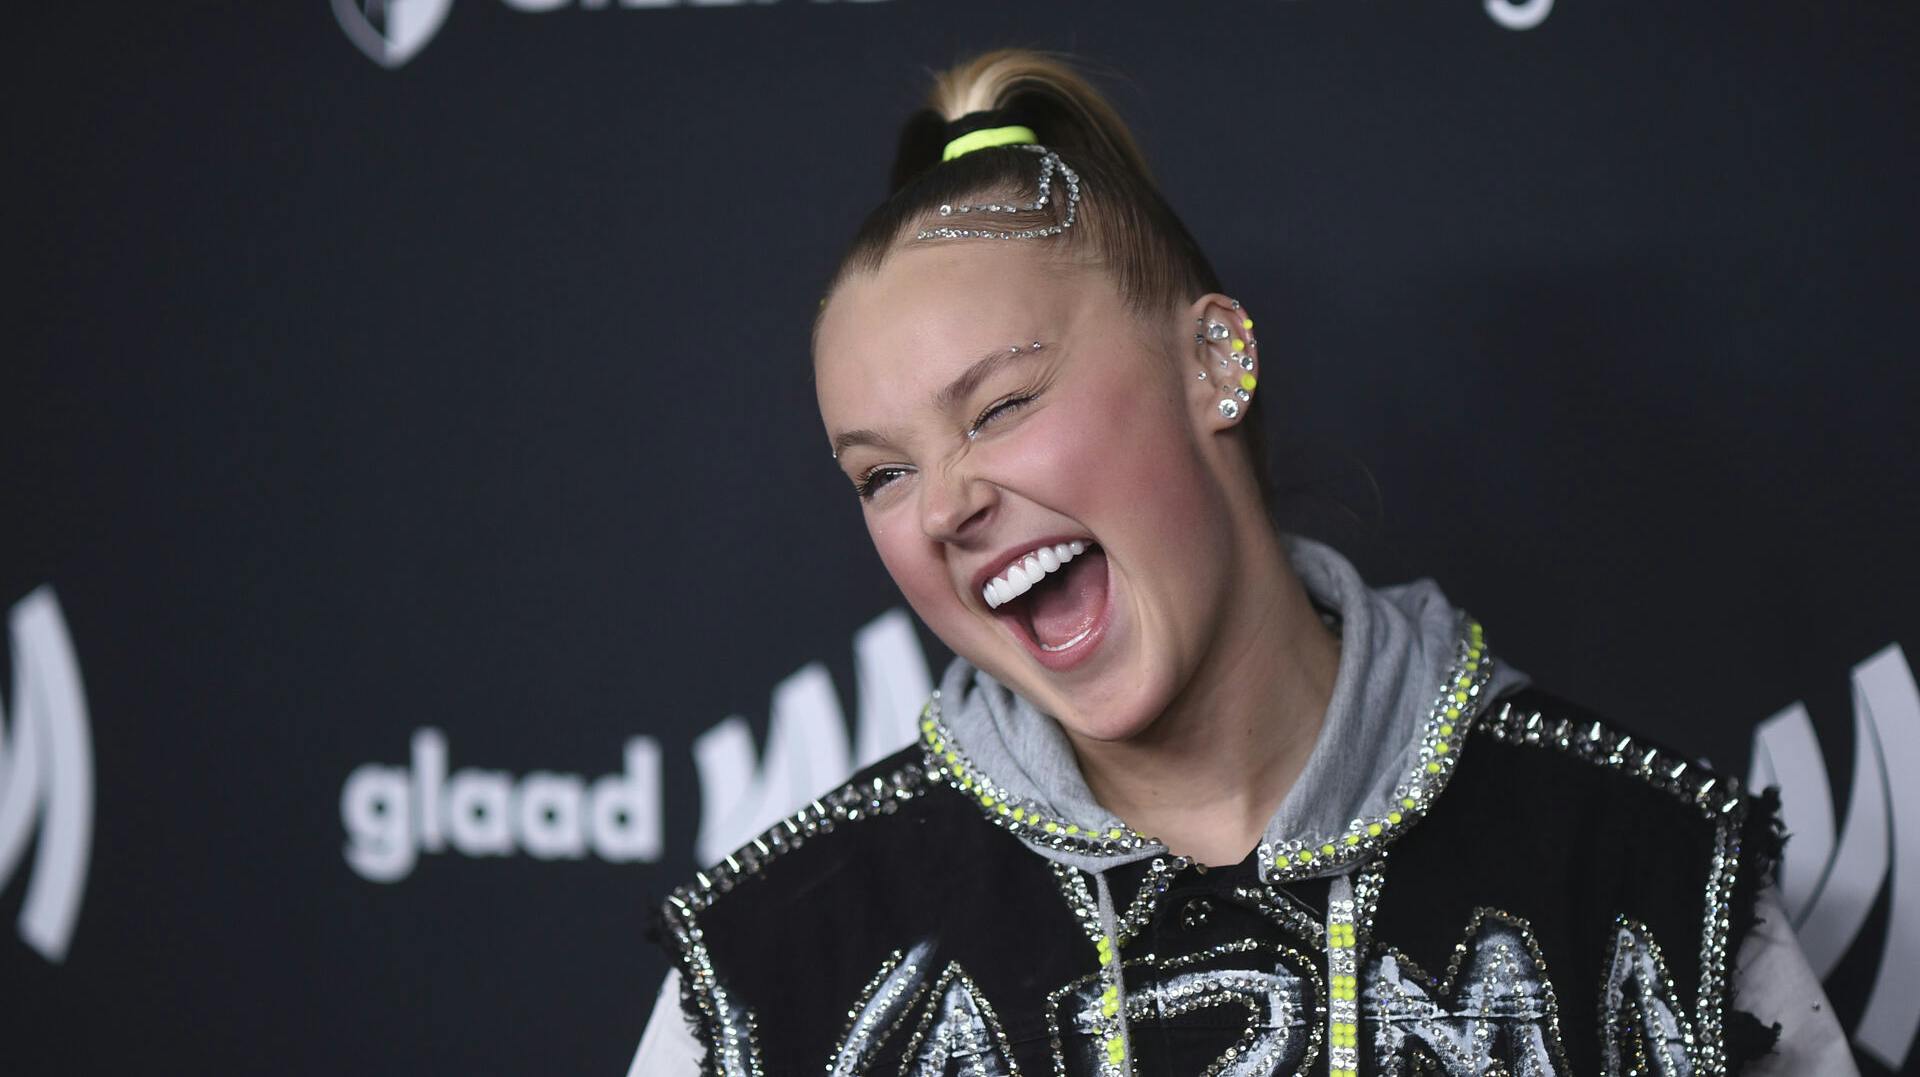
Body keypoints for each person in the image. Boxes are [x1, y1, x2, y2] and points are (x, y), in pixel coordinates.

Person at [629, 49, 1853, 1076]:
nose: (945, 502)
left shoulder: (1651, 877)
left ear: (1215, 360)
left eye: (998, 407)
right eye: (882, 474)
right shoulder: (769, 972)